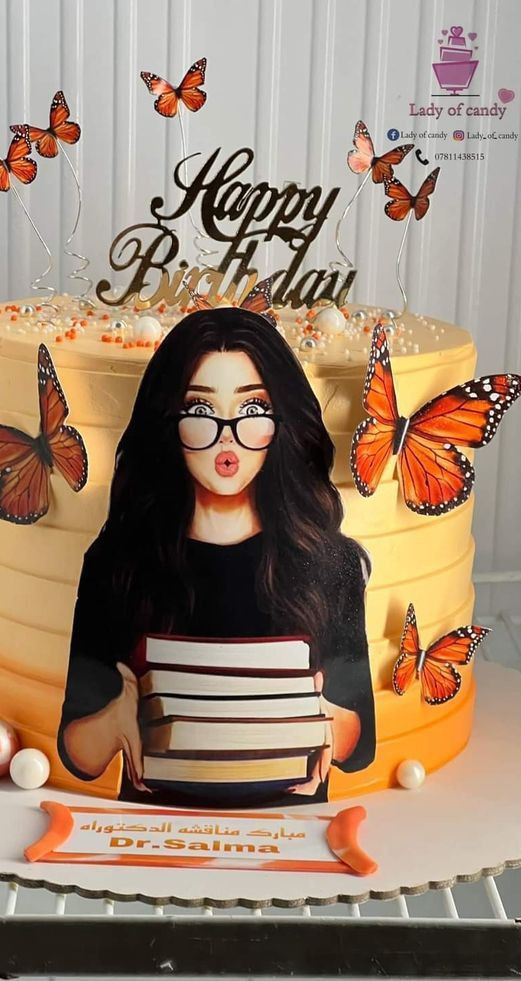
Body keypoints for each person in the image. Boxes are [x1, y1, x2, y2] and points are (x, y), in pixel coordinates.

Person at [58, 306, 375, 805]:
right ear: (168, 423)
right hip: (153, 837)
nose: (227, 437)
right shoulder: (117, 561)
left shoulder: (329, 561)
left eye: (252, 410)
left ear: (281, 422)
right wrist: (115, 717)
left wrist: (323, 719)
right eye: (200, 411)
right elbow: (77, 752)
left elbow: (361, 745)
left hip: (295, 836)